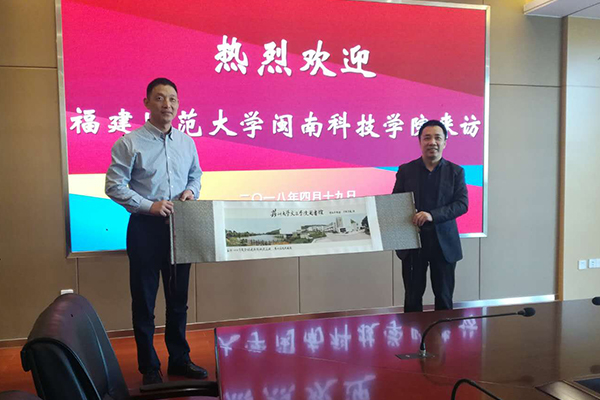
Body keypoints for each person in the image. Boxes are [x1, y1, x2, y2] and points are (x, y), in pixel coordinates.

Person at [105, 78, 206, 385]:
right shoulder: (129, 143)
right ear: (147, 103)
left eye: (173, 99)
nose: (167, 105)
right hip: (145, 230)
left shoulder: (186, 142)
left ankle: (179, 359)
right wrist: (149, 206)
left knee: (178, 301)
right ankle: (149, 367)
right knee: (144, 301)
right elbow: (113, 186)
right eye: (160, 98)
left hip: (180, 229)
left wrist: (191, 191)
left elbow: (196, 176)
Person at [392, 120, 468, 313]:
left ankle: (442, 333)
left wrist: (432, 215)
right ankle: (413, 334)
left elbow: (462, 204)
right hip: (413, 243)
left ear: (445, 142)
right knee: (412, 299)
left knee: (444, 298)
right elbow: (395, 203)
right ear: (420, 142)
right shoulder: (406, 170)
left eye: (437, 138)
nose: (432, 142)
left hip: (444, 245)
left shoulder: (455, 171)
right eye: (427, 138)